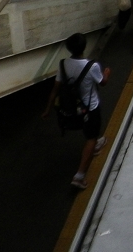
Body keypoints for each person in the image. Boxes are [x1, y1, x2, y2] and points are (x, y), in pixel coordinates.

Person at [44, 33, 110, 189]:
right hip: (90, 108)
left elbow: (55, 89)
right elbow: (103, 83)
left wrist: (48, 109)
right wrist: (107, 73)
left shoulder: (63, 64)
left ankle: (96, 142)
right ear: (84, 47)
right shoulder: (92, 66)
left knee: (88, 130)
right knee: (91, 137)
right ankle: (79, 176)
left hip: (72, 108)